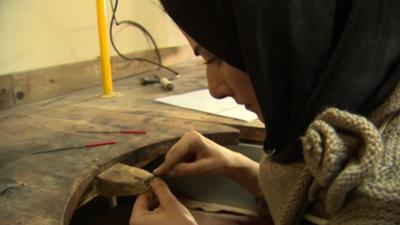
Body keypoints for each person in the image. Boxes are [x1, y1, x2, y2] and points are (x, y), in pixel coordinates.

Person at [130, 1, 400, 225]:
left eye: (217, 57)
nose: (215, 89)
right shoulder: (368, 93)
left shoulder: (383, 187)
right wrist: (239, 168)